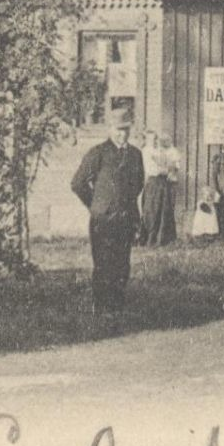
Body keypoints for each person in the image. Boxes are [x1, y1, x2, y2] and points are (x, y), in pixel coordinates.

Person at [71, 111, 146, 314]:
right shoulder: (98, 153)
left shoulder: (135, 155)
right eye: (118, 130)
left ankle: (117, 307)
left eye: (126, 130)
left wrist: (129, 208)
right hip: (102, 220)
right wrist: (96, 205)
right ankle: (101, 308)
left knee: (122, 264)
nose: (122, 134)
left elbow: (138, 185)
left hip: (125, 217)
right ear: (110, 129)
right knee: (103, 264)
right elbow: (78, 183)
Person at [138, 131, 180, 246]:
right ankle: (149, 239)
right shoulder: (145, 151)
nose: (154, 141)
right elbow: (153, 170)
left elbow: (174, 164)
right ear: (147, 140)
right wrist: (167, 169)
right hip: (153, 182)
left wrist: (170, 168)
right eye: (151, 139)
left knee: (163, 210)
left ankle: (163, 239)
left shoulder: (161, 150)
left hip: (163, 182)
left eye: (155, 139)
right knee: (151, 210)